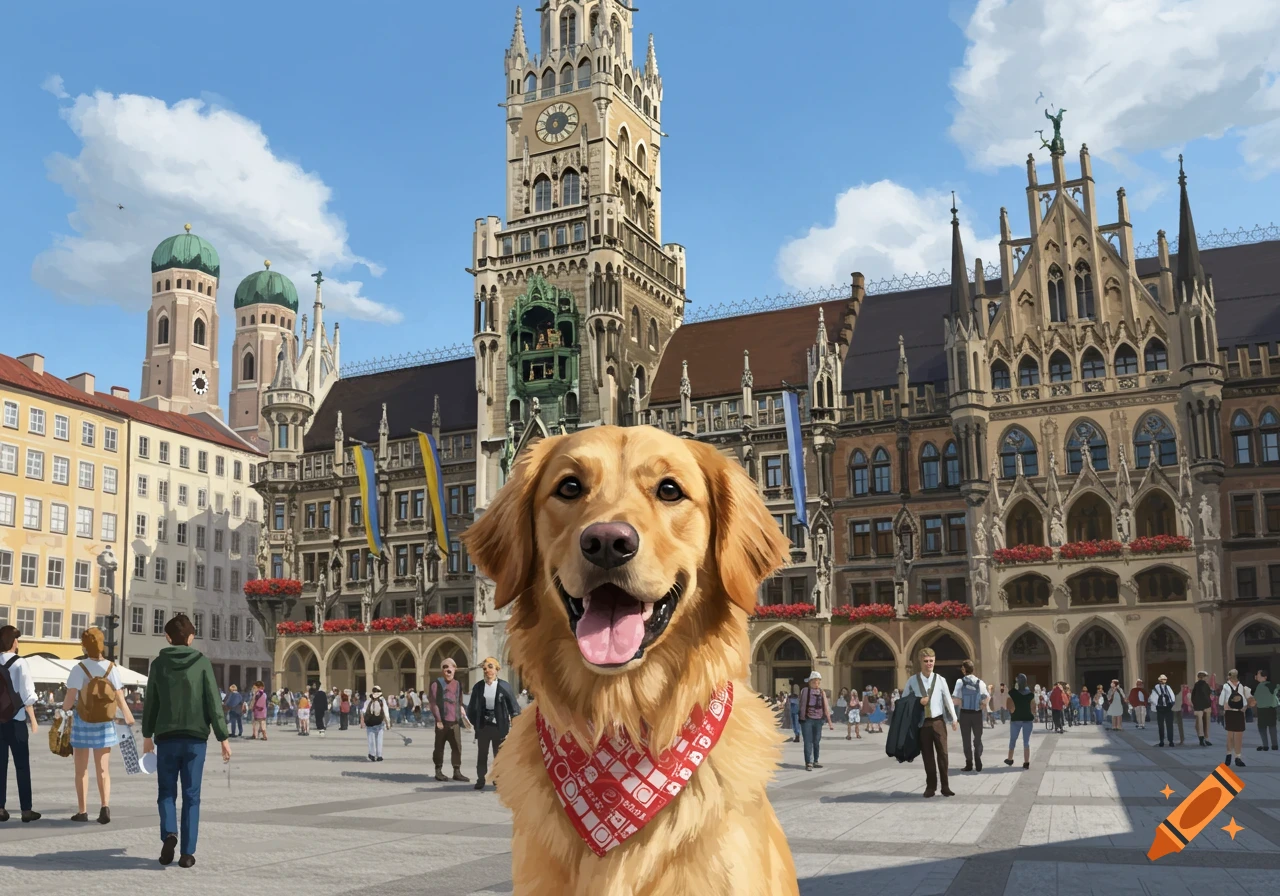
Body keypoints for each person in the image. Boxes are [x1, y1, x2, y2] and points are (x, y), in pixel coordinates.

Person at [141, 614, 231, 868]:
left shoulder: (158, 664)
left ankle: (170, 833)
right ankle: (187, 853)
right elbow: (213, 701)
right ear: (191, 637)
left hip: (167, 739)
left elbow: (152, 703)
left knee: (166, 793)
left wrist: (147, 735)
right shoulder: (202, 663)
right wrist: (223, 737)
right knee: (192, 796)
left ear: (168, 638)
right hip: (195, 740)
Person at [61, 627, 135, 823]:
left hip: (82, 722)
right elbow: (119, 696)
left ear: (84, 646)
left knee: (81, 770)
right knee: (103, 769)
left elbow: (70, 698)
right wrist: (128, 716)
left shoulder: (79, 668)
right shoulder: (112, 668)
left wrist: (61, 713)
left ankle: (83, 811)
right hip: (104, 723)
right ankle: (104, 807)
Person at [899, 648, 959, 797]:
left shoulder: (940, 679)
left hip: (938, 722)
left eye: (931, 661)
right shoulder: (913, 680)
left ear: (934, 661)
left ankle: (945, 787)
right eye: (926, 661)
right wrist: (918, 701)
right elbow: (904, 701)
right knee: (928, 756)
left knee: (943, 754)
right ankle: (930, 787)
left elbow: (947, 699)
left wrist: (954, 718)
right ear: (921, 662)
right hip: (922, 724)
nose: (929, 664)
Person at [0, 624, 41, 822]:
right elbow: (27, 695)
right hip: (16, 721)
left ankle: (0, 808)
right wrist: (33, 720)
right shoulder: (20, 663)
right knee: (22, 766)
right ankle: (26, 810)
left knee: (0, 765)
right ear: (14, 642)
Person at [465, 657, 521, 790]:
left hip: (499, 726)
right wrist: (475, 723)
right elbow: (472, 707)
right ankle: (480, 778)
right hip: (484, 726)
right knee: (482, 754)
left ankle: (498, 778)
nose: (487, 671)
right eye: (484, 668)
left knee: (499, 755)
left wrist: (514, 722)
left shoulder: (504, 686)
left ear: (497, 669)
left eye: (490, 667)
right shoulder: (478, 687)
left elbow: (513, 706)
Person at [429, 658, 471, 782]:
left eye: (451, 667)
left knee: (457, 747)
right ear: (442, 670)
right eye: (445, 667)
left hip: (455, 722)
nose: (448, 669)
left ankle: (457, 771)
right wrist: (438, 719)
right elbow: (433, 703)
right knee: (439, 747)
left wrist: (461, 710)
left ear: (455, 669)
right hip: (442, 722)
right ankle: (438, 770)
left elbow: (459, 700)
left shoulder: (457, 684)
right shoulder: (436, 684)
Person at [952, 661, 988, 772]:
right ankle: (978, 754)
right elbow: (986, 698)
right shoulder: (980, 682)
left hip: (965, 714)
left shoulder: (960, 682)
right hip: (977, 714)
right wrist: (981, 705)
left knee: (966, 739)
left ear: (964, 669)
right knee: (978, 738)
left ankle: (969, 763)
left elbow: (955, 699)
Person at [797, 671, 834, 771]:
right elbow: (801, 704)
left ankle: (815, 761)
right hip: (807, 719)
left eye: (818, 682)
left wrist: (830, 722)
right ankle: (808, 762)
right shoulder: (805, 691)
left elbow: (826, 707)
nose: (816, 684)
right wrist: (800, 718)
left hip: (818, 719)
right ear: (810, 682)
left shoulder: (822, 692)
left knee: (816, 741)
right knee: (808, 741)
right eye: (814, 682)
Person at [1220, 669, 1251, 767]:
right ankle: (1238, 757)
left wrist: (1225, 705)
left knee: (1230, 735)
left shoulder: (1226, 686)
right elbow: (1244, 701)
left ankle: (1228, 756)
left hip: (1229, 712)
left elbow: (1221, 701)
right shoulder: (1241, 686)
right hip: (1239, 713)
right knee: (1239, 736)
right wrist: (1244, 708)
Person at [1004, 673, 1035, 769]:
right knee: (1026, 741)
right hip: (1027, 720)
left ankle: (1010, 759)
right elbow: (1033, 708)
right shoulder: (1030, 694)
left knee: (1013, 740)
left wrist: (1013, 712)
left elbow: (1010, 707)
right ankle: (1026, 762)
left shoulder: (1012, 693)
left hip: (1016, 720)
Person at [360, 686, 392, 762]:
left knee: (371, 739)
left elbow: (363, 711)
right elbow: (386, 712)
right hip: (380, 723)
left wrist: (362, 721)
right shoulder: (382, 700)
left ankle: (372, 754)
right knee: (379, 739)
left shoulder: (369, 700)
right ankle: (379, 755)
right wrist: (388, 722)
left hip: (370, 723)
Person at [1149, 674, 1177, 748]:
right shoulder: (1156, 688)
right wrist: (1157, 704)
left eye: (1165, 680)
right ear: (1159, 680)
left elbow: (1172, 696)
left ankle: (1171, 740)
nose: (1164, 681)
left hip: (1168, 707)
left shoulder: (1168, 687)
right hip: (1160, 708)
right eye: (1162, 680)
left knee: (1169, 724)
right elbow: (1153, 698)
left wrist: (1171, 704)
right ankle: (1162, 740)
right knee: (1160, 725)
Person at [1254, 668, 1278, 752]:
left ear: (1264, 677)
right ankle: (1274, 745)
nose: (1256, 676)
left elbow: (1255, 698)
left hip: (1263, 710)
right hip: (1270, 709)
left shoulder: (1262, 686)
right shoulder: (1269, 685)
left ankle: (1266, 745)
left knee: (1262, 728)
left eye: (1258, 674)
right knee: (1272, 727)